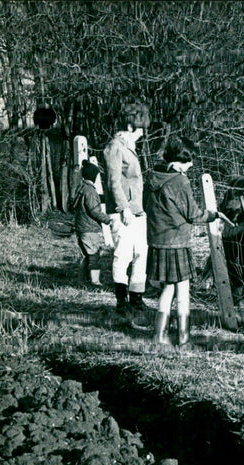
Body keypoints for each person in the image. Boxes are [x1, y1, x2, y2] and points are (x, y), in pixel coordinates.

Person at [145, 136, 224, 346]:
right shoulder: (180, 181)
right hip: (177, 243)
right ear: (179, 161)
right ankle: (183, 337)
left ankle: (159, 335)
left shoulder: (153, 178)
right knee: (182, 291)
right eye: (188, 161)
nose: (190, 166)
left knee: (167, 288)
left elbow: (147, 208)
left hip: (158, 241)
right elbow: (193, 214)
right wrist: (212, 215)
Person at [103, 101, 151, 327]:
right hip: (123, 213)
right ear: (130, 126)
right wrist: (123, 208)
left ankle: (137, 298)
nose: (143, 133)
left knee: (142, 253)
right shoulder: (115, 146)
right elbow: (113, 181)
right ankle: (121, 303)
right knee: (123, 255)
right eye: (141, 128)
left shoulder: (129, 147)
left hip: (138, 210)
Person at [71, 158, 112, 287]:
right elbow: (94, 211)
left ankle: (81, 281)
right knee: (94, 256)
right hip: (90, 228)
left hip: (81, 227)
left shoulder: (81, 189)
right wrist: (108, 219)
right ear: (94, 176)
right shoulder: (91, 191)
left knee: (86, 256)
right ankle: (95, 282)